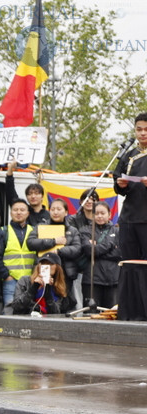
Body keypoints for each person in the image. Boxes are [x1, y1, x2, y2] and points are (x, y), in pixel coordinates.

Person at [27, 198, 82, 294]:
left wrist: (59, 251)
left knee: (64, 301)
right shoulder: (41, 227)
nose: (55, 212)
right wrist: (53, 241)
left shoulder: (72, 230)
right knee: (43, 296)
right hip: (44, 269)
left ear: (66, 212)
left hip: (65, 272)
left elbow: (77, 249)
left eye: (59, 209)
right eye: (52, 209)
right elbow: (30, 243)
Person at [113, 112, 147, 261]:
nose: (143, 133)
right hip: (129, 217)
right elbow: (117, 177)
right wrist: (121, 185)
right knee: (129, 262)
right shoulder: (128, 155)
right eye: (139, 129)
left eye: (146, 129)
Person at [0, 198, 36, 313]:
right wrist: (5, 275)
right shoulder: (3, 231)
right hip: (11, 279)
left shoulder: (34, 231)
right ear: (11, 213)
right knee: (9, 310)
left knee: (30, 311)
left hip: (30, 279)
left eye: (22, 210)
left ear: (28, 213)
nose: (18, 212)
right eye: (15, 210)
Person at [79, 201, 120, 308]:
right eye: (96, 213)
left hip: (113, 280)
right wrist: (111, 244)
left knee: (112, 315)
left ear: (109, 215)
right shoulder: (85, 230)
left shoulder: (118, 231)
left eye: (103, 213)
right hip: (91, 281)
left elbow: (121, 253)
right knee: (90, 315)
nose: (99, 216)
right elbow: (89, 251)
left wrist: (98, 248)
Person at [4, 159, 50, 226]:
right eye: (30, 194)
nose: (33, 196)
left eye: (36, 193)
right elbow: (10, 191)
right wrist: (10, 169)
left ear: (42, 196)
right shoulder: (22, 212)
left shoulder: (49, 216)